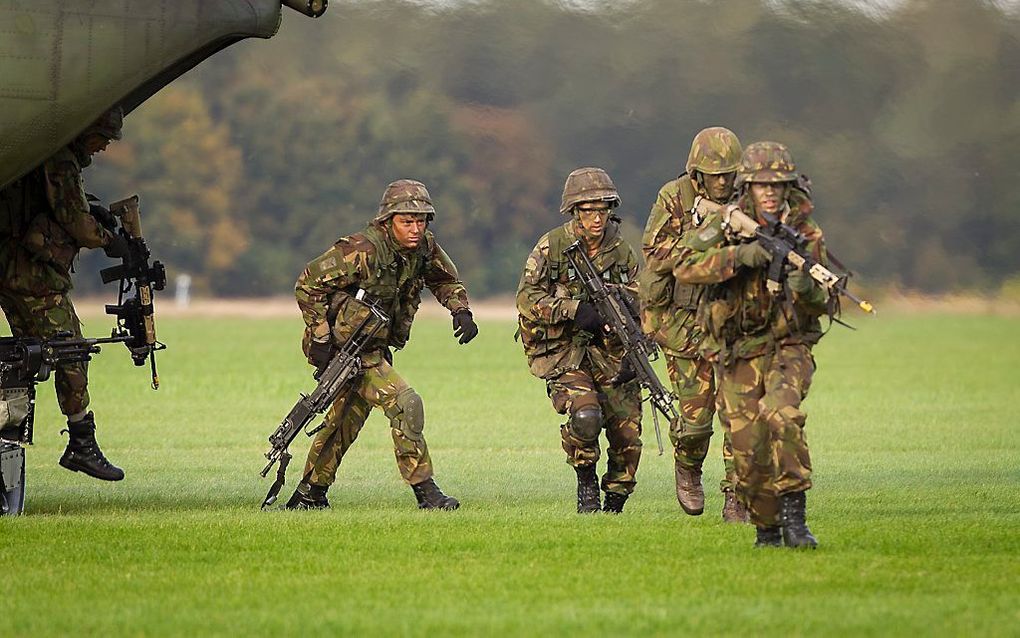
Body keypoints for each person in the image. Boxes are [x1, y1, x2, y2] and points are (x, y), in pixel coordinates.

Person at [287, 179, 477, 510]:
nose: (416, 228)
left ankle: (308, 494)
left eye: (421, 221)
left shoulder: (424, 249)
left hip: (371, 347)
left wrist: (460, 309)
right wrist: (319, 333)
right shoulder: (361, 250)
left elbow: (445, 279)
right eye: (407, 221)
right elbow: (308, 283)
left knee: (345, 419)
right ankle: (426, 492)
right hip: (343, 350)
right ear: (388, 221)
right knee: (406, 403)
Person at [674, 141, 826, 548]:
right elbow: (683, 265)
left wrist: (806, 288)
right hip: (738, 349)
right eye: (761, 185)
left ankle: (795, 518)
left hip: (787, 345)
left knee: (782, 415)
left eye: (778, 185)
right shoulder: (726, 224)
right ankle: (767, 528)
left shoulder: (804, 233)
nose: (770, 193)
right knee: (747, 447)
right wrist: (741, 257)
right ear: (749, 188)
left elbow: (823, 298)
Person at [0, 107, 130, 482]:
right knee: (69, 349)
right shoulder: (59, 160)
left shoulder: (43, 153)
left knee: (27, 356)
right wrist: (107, 239)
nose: (104, 147)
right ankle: (80, 443)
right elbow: (73, 218)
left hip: (14, 270)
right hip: (31, 276)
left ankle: (14, 433)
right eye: (102, 137)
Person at [517, 167, 642, 514]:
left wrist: (636, 340)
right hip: (564, 353)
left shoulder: (622, 252)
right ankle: (586, 478)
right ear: (574, 211)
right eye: (588, 211)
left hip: (612, 353)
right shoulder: (552, 246)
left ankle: (616, 500)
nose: (596, 219)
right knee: (586, 416)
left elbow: (641, 301)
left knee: (627, 435)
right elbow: (526, 299)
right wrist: (574, 310)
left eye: (602, 210)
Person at [640, 126, 748, 522]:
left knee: (741, 417)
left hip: (735, 322)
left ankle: (737, 494)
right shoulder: (675, 197)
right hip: (684, 324)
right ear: (697, 173)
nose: (722, 182)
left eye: (728, 174)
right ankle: (688, 466)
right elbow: (655, 254)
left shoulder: (747, 200)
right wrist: (706, 230)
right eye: (714, 174)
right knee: (695, 422)